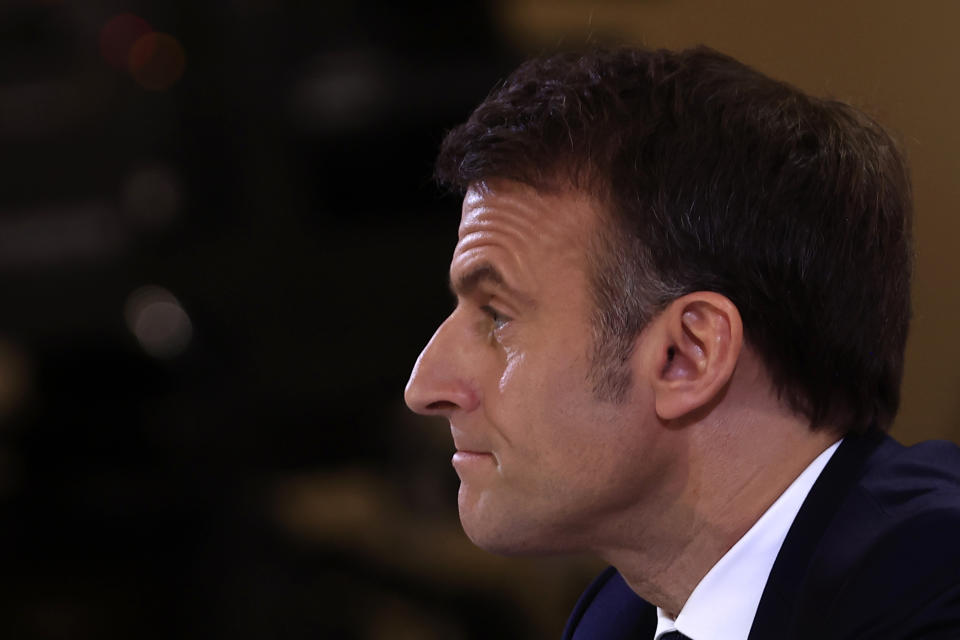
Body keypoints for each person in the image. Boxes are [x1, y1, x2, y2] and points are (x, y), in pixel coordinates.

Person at [403, 46, 960, 639]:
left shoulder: (934, 595)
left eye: (496, 316)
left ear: (687, 356)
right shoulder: (615, 620)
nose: (424, 387)